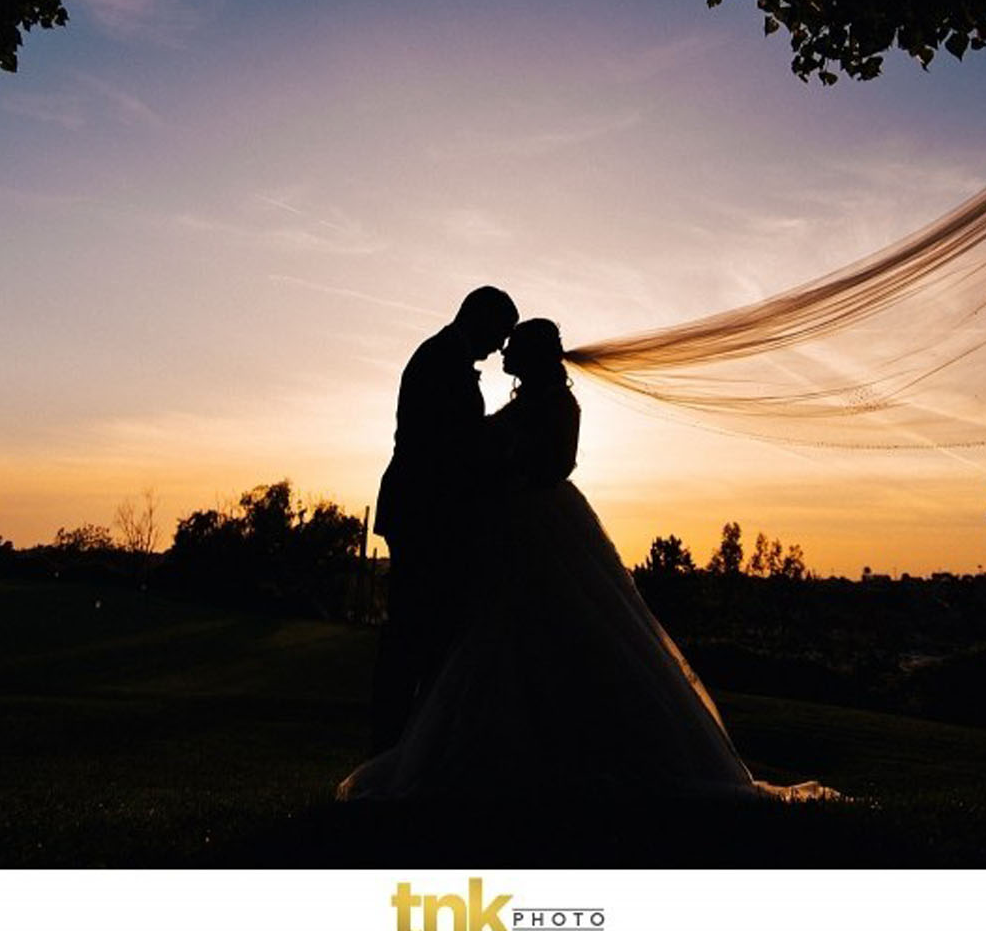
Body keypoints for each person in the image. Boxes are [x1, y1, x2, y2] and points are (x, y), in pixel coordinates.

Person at [343, 317, 836, 802]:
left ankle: (565, 752)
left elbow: (556, 464)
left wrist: (506, 469)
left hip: (539, 524)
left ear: (531, 355)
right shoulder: (501, 389)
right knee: (497, 633)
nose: (503, 353)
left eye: (513, 345)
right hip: (502, 526)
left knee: (550, 628)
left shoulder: (559, 403)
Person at [368, 285, 519, 751]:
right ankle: (392, 745)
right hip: (423, 511)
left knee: (427, 631)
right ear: (479, 318)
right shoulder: (439, 361)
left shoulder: (446, 357)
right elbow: (448, 445)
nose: (499, 349)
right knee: (413, 630)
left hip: (428, 509)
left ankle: (410, 744)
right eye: (499, 334)